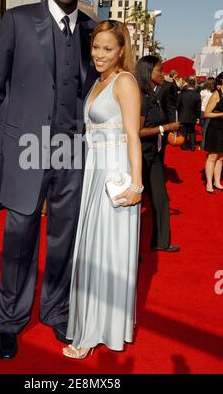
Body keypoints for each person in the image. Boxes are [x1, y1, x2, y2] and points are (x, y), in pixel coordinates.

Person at [0, 0, 97, 359]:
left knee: (64, 240)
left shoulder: (90, 33)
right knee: (19, 239)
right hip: (26, 147)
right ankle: (9, 321)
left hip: (72, 151)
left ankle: (56, 310)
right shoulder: (19, 20)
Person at [63, 20, 143, 359]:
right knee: (93, 251)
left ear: (121, 50)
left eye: (107, 48)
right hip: (95, 173)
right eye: (96, 47)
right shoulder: (99, 80)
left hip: (115, 176)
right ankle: (93, 325)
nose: (99, 54)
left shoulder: (124, 82)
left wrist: (137, 185)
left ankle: (94, 332)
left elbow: (133, 136)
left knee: (104, 254)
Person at [136, 56, 180, 253]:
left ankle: (161, 241)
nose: (163, 74)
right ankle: (131, 251)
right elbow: (137, 131)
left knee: (161, 198)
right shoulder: (142, 98)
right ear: (148, 73)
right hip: (141, 156)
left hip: (153, 155)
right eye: (159, 71)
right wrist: (165, 128)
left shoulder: (153, 96)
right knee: (136, 203)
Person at [203, 72, 223, 193]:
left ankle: (217, 182)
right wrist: (221, 114)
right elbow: (206, 114)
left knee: (221, 158)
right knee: (212, 156)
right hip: (215, 129)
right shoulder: (216, 95)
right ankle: (209, 184)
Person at [177, 77, 201, 151]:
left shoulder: (182, 94)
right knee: (192, 132)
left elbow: (177, 105)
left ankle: (184, 146)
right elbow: (198, 108)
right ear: (194, 85)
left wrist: (179, 113)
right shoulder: (197, 95)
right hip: (192, 116)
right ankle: (192, 146)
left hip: (182, 115)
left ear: (188, 85)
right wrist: (198, 117)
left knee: (183, 132)